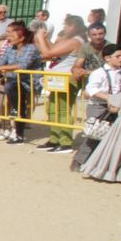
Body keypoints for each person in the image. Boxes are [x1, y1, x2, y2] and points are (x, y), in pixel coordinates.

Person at [31, 14, 94, 155]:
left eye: (66, 25)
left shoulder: (76, 41)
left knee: (63, 109)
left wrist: (40, 37)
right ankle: (54, 138)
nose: (64, 28)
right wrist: (44, 39)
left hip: (68, 78)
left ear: (73, 26)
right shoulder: (72, 40)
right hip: (58, 78)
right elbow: (55, 51)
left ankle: (65, 142)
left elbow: (48, 54)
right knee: (53, 108)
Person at [74, 43, 121, 178]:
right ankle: (79, 161)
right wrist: (109, 98)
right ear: (107, 58)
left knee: (112, 136)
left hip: (116, 107)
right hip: (98, 107)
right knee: (94, 135)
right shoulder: (99, 73)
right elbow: (91, 89)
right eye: (118, 56)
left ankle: (100, 164)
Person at [0, 20, 39, 142]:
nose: (9, 38)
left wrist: (2, 68)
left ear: (22, 37)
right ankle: (10, 129)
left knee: (19, 105)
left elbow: (23, 65)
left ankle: (19, 133)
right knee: (10, 97)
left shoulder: (31, 48)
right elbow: (1, 61)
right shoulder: (10, 47)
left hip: (27, 82)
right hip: (12, 81)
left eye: (12, 35)